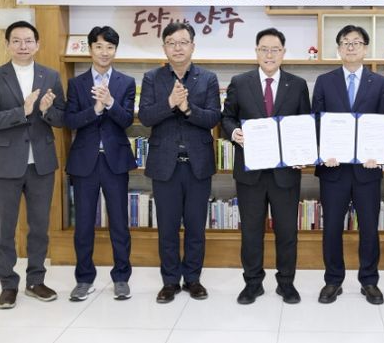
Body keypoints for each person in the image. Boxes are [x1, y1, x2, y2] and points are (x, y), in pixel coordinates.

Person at [0, 20, 65, 309]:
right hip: (5, 164)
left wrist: (46, 111)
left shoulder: (50, 75)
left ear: (37, 44)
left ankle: (36, 280)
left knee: (39, 226)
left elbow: (62, 118)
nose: (23, 46)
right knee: (5, 227)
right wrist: (22, 111)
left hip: (41, 163)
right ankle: (8, 284)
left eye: (28, 41)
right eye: (16, 40)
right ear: (8, 45)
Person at [221, 28, 311, 305]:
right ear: (256, 51)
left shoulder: (297, 84)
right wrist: (234, 132)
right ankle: (253, 284)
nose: (269, 54)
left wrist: (303, 151)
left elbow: (305, 124)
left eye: (275, 49)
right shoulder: (240, 82)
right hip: (251, 173)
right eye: (264, 49)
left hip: (285, 173)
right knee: (251, 232)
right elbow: (227, 118)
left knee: (287, 232)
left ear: (283, 53)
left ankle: (286, 283)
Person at [138, 22, 221, 303]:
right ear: (164, 47)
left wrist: (187, 108)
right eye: (171, 42)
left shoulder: (208, 78)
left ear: (193, 46)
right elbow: (145, 116)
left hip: (197, 164)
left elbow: (213, 118)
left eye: (183, 42)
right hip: (165, 165)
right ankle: (170, 281)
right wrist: (170, 103)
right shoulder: (152, 78)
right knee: (168, 228)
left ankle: (193, 279)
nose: (178, 47)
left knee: (196, 227)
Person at [312, 25, 384, 305]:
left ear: (365, 48)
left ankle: (369, 280)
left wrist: (378, 155)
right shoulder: (324, 81)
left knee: (369, 228)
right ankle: (333, 280)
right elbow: (317, 121)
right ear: (338, 49)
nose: (351, 47)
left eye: (357, 42)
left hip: (367, 169)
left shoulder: (379, 82)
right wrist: (323, 151)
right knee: (332, 227)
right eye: (345, 42)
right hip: (333, 169)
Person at [64, 26, 137, 301]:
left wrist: (109, 103)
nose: (104, 52)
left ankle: (121, 278)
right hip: (85, 162)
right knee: (83, 224)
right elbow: (70, 121)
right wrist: (94, 110)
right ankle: (84, 279)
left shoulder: (126, 82)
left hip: (115, 162)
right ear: (90, 49)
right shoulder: (76, 84)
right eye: (99, 46)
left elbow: (127, 120)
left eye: (110, 47)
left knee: (119, 223)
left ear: (115, 50)